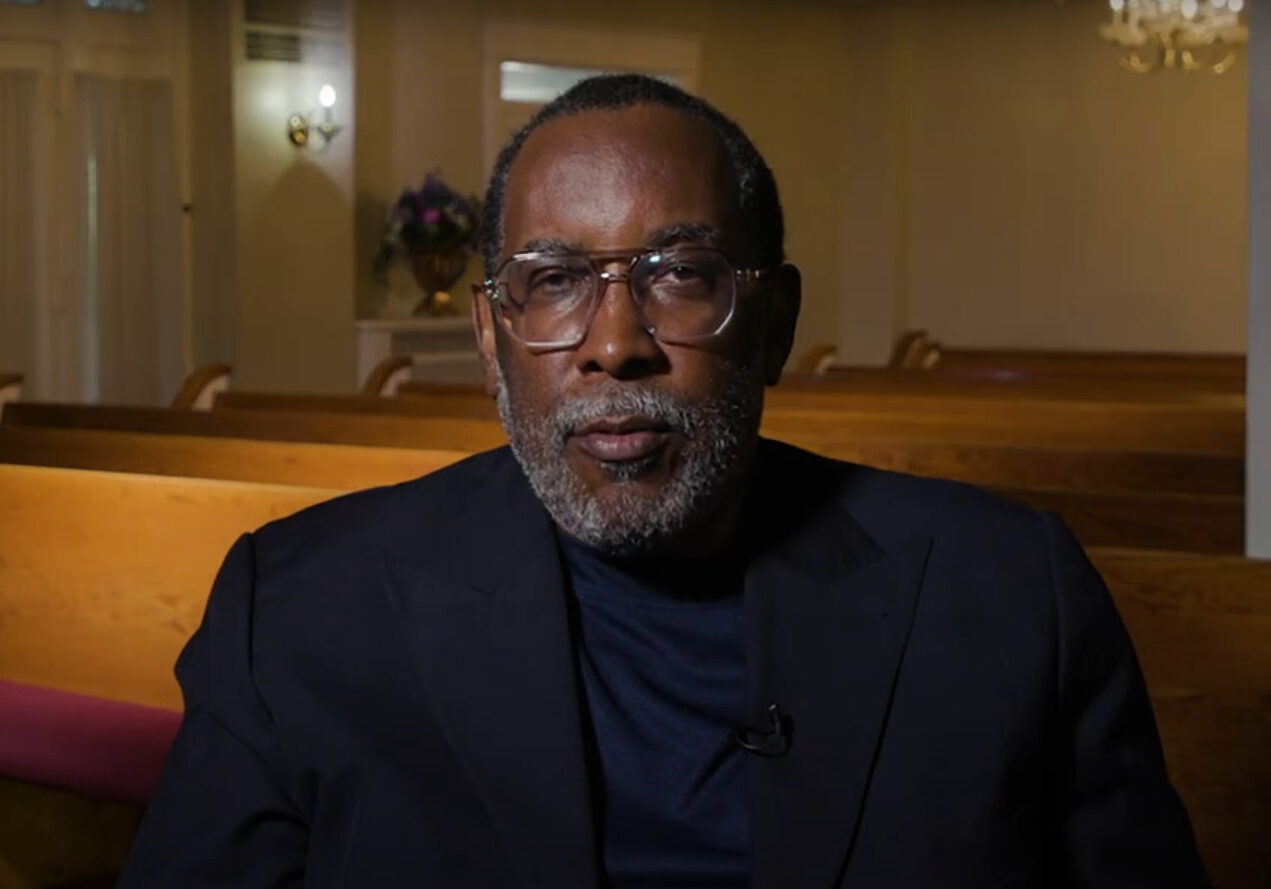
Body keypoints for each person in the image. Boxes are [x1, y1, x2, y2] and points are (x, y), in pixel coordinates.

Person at [118, 74, 1208, 888]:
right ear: (492, 340)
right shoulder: (300, 608)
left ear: (773, 322)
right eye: (552, 283)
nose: (612, 344)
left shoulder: (1010, 595)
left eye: (677, 276)